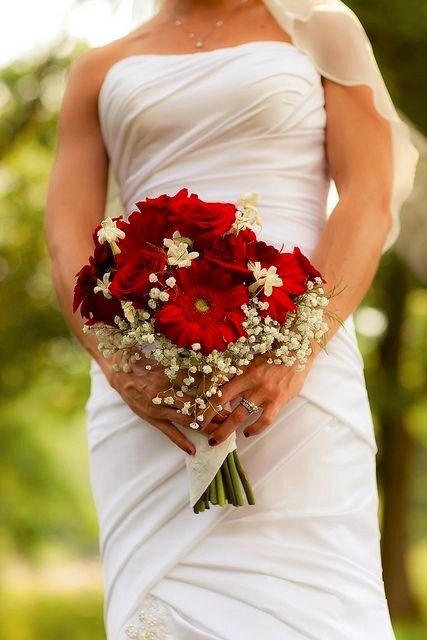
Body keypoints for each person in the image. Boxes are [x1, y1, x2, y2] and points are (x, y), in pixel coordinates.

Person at [45, 0, 418, 638]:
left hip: (301, 380)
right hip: (146, 387)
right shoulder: (97, 70)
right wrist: (116, 363)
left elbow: (369, 197)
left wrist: (296, 350)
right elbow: (65, 234)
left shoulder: (324, 30)